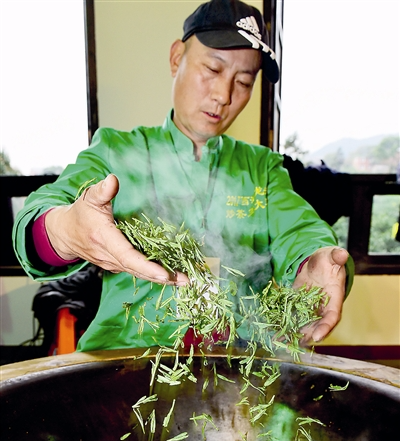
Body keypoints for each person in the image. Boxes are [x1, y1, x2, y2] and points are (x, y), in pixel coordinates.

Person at [13, 0, 353, 353]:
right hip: (127, 355)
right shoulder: (118, 151)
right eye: (213, 69)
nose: (223, 95)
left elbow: (300, 229)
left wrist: (314, 258)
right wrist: (64, 231)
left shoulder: (262, 168)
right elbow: (43, 213)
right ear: (177, 58)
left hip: (238, 357)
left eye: (243, 82)